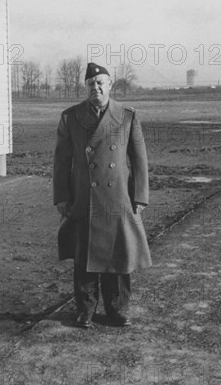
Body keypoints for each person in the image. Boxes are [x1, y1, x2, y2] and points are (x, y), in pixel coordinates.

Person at [53, 62, 151, 328]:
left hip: (117, 198)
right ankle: (85, 309)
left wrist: (140, 196)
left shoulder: (127, 116)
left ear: (110, 85)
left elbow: (139, 160)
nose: (95, 88)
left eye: (100, 83)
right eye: (90, 84)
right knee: (85, 256)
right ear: (85, 87)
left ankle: (117, 309)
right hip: (84, 197)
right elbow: (62, 161)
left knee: (118, 256)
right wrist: (62, 196)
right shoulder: (71, 118)